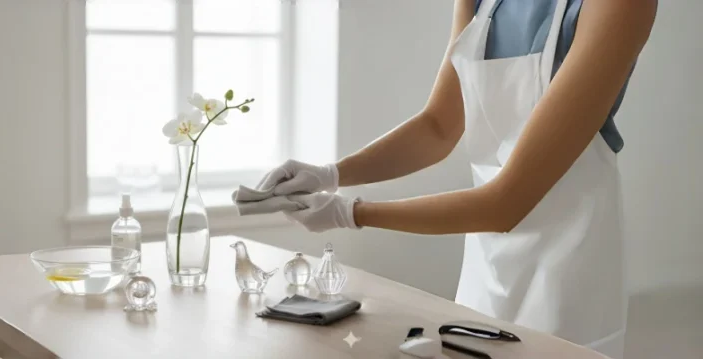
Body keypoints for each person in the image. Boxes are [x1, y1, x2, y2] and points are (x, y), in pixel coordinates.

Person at [251, 1, 656, 358]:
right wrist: (330, 174)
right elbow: (439, 127)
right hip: (487, 260)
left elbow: (505, 203)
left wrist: (349, 213)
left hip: (569, 268)